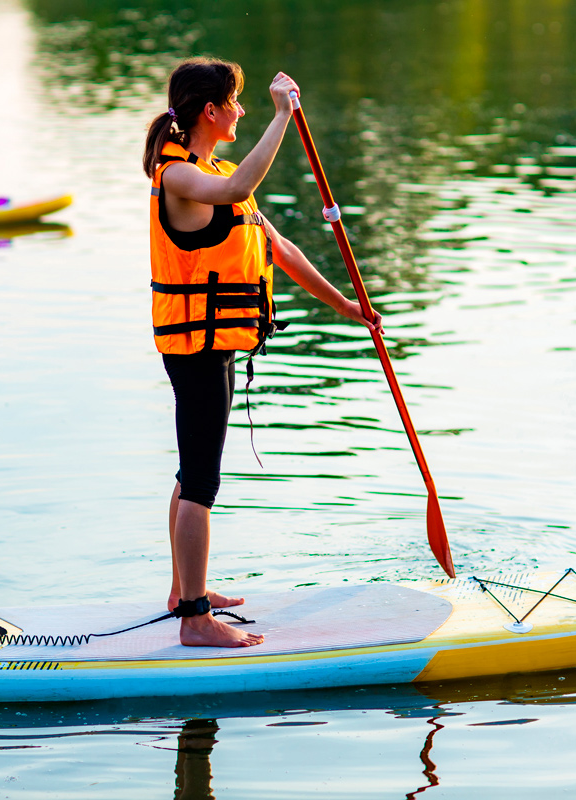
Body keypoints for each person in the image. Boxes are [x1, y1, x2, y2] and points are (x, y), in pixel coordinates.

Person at [144, 58, 382, 648]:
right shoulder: (180, 178)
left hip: (216, 342)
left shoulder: (213, 170)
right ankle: (195, 619)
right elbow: (237, 189)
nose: (242, 112)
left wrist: (345, 306)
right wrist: (283, 116)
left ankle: (183, 591)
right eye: (236, 103)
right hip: (196, 346)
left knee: (190, 472)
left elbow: (280, 248)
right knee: (200, 481)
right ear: (211, 111)